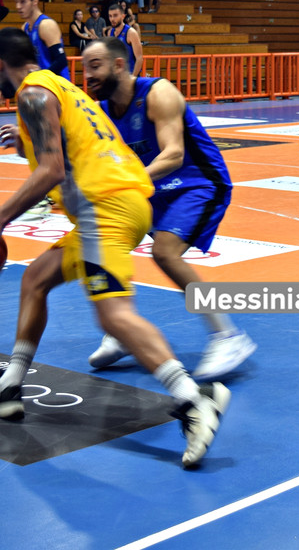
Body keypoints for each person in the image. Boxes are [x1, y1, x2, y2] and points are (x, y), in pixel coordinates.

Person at [0, 27, 230, 468]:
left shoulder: (32, 95)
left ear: (0, 63)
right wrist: (25, 141)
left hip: (107, 209)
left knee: (113, 315)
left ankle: (195, 399)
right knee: (35, 280)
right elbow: (70, 147)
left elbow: (50, 170)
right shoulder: (59, 87)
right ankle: (8, 387)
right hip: (112, 206)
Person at [82, 37, 256, 379]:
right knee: (104, 244)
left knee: (164, 252)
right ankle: (123, 330)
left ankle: (228, 336)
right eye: (85, 68)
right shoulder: (100, 112)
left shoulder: (158, 92)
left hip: (197, 183)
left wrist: (128, 183)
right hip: (152, 189)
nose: (87, 75)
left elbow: (174, 154)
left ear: (119, 65)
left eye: (95, 66)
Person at [13, 0, 70, 80]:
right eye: (16, 2)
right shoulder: (25, 28)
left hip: (57, 84)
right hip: (41, 84)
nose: (18, 6)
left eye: (23, 1)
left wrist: (41, 78)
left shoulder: (46, 25)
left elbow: (61, 60)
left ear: (35, 1)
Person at [106, 0, 143, 77]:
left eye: (115, 15)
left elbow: (139, 58)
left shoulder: (131, 33)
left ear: (123, 16)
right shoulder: (110, 32)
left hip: (129, 75)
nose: (112, 19)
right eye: (110, 16)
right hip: (116, 76)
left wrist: (132, 78)